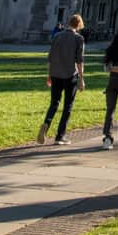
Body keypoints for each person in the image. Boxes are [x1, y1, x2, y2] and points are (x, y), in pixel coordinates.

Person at [38, 13, 85, 145]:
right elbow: (80, 61)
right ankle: (60, 135)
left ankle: (46, 124)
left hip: (55, 74)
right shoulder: (79, 39)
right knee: (67, 106)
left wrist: (49, 75)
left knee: (54, 103)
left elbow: (50, 57)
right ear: (79, 25)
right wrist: (81, 78)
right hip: (70, 75)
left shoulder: (57, 36)